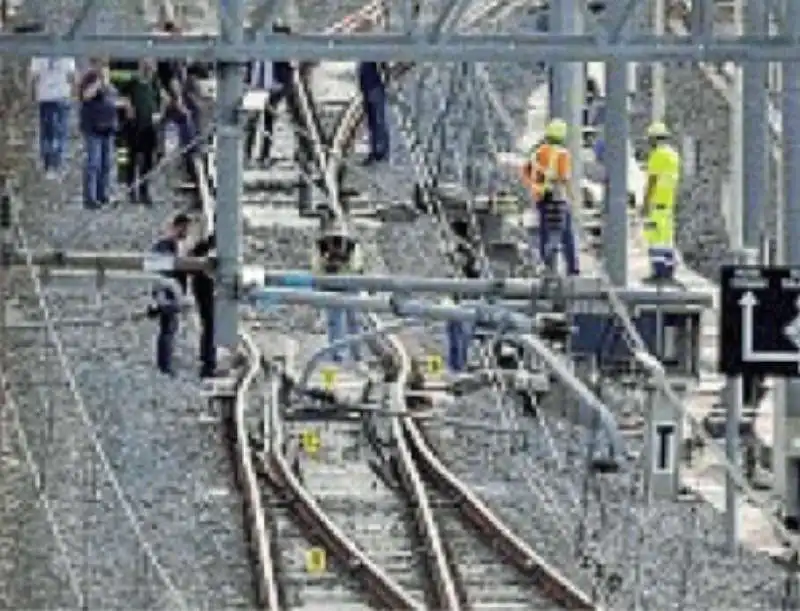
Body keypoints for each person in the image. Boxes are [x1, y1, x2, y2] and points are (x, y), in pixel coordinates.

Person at [520, 118, 578, 275]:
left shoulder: (538, 152)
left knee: (545, 232)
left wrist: (534, 188)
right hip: (557, 198)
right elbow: (565, 178)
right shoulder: (562, 153)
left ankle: (545, 266)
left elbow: (525, 171)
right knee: (566, 234)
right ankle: (572, 268)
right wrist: (572, 197)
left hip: (541, 198)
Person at [244, 23, 295, 168]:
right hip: (256, 87)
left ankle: (264, 155)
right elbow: (248, 65)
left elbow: (289, 64)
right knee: (251, 120)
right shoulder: (252, 40)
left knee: (268, 119)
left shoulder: (280, 36)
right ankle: (246, 154)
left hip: (275, 86)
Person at [312, 222, 363, 363]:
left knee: (354, 320)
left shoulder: (352, 246)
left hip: (350, 285)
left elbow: (355, 267)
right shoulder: (320, 246)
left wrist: (337, 267)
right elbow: (316, 268)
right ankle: (337, 353)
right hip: (330, 286)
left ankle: (356, 351)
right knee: (335, 321)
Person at [148, 213, 191, 375]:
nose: (186, 232)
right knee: (168, 328)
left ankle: (166, 362)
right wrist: (160, 296)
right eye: (185, 228)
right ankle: (165, 365)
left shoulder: (176, 246)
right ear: (178, 227)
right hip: (167, 292)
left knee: (170, 328)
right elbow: (159, 272)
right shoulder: (165, 246)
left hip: (173, 291)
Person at [643, 122, 681, 281]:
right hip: (668, 204)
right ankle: (669, 271)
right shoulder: (673, 154)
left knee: (655, 239)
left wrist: (645, 203)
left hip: (657, 204)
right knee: (666, 240)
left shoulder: (657, 155)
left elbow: (653, 180)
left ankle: (658, 273)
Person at [79, 58, 118, 210]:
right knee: (93, 163)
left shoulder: (110, 84)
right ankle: (90, 197)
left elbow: (113, 98)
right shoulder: (89, 79)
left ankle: (103, 194)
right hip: (93, 128)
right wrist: (97, 82)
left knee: (106, 164)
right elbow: (85, 96)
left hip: (108, 128)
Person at [121, 59, 160, 205]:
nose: (149, 69)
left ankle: (144, 190)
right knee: (133, 159)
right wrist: (128, 107)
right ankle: (132, 191)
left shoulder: (154, 83)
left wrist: (158, 112)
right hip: (134, 126)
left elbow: (161, 99)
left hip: (150, 127)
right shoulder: (133, 82)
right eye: (147, 66)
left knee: (148, 160)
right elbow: (123, 97)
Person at [30, 55, 75, 178]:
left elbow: (72, 76)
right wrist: (34, 94)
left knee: (60, 131)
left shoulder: (66, 54)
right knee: (48, 131)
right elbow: (34, 77)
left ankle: (57, 162)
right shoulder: (39, 54)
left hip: (60, 96)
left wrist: (73, 94)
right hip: (46, 97)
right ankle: (49, 162)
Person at [189, 233, 216, 378]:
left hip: (205, 289)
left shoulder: (205, 244)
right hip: (206, 289)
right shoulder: (211, 244)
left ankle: (209, 360)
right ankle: (209, 362)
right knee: (210, 325)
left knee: (209, 325)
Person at [357, 61, 389, 165]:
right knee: (372, 122)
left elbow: (383, 67)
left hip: (374, 88)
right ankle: (375, 150)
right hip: (368, 89)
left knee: (377, 121)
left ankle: (380, 151)